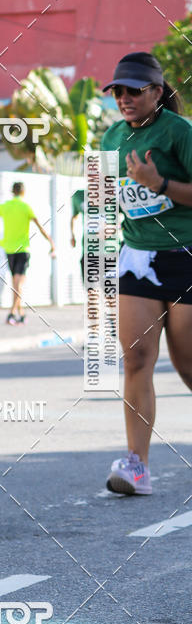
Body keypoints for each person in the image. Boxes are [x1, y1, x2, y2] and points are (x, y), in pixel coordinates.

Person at [101, 52, 192, 495]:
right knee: (136, 359)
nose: (124, 98)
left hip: (184, 254)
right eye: (118, 90)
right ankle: (137, 466)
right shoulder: (111, 137)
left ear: (157, 91)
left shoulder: (180, 133)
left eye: (134, 90)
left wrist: (160, 184)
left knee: (188, 365)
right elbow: (104, 200)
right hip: (137, 257)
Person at [0, 181, 55, 324]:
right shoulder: (25, 207)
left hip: (8, 249)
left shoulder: (5, 207)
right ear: (23, 192)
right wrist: (51, 243)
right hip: (22, 249)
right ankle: (11, 313)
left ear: (12, 192)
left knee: (15, 283)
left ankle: (21, 314)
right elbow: (40, 227)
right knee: (18, 283)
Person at [70, 187, 85, 281]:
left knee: (110, 294)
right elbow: (74, 217)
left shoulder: (112, 193)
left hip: (110, 251)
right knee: (91, 293)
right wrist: (73, 235)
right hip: (88, 251)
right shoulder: (79, 195)